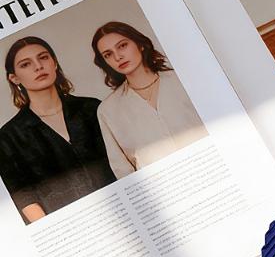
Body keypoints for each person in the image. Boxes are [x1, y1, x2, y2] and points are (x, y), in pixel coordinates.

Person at [0, 36, 115, 224]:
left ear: (54, 63)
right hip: (69, 229)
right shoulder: (8, 137)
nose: (38, 66)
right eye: (26, 64)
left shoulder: (92, 108)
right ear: (14, 78)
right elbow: (23, 196)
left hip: (120, 211)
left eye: (43, 57)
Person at [91, 22, 206, 179]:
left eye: (122, 46)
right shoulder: (108, 110)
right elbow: (123, 170)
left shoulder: (183, 80)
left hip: (211, 172)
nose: (118, 57)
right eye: (108, 54)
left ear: (140, 44)